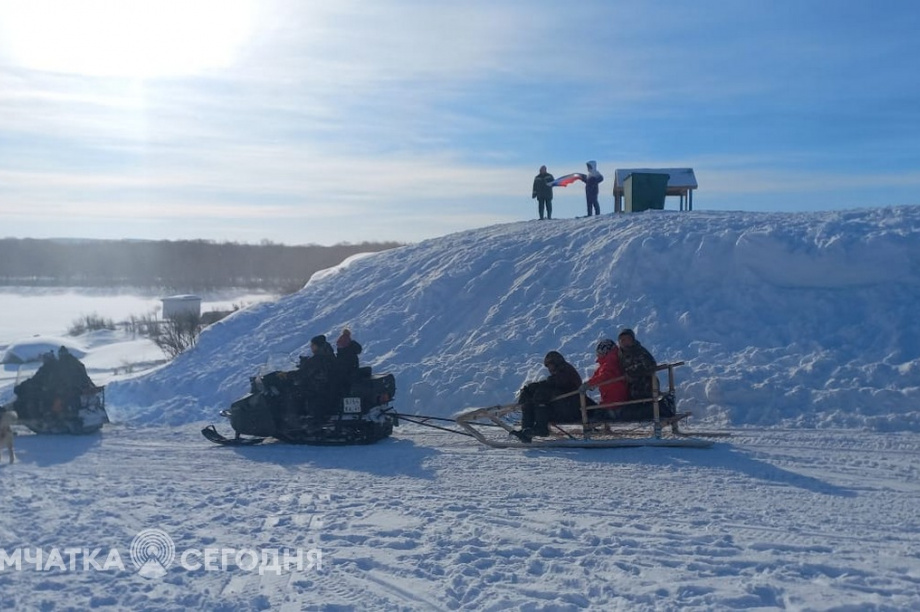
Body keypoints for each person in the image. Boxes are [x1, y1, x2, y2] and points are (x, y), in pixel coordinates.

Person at [512, 351, 585, 443]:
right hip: (564, 407)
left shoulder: (566, 371)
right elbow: (552, 384)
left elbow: (554, 383)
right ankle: (526, 430)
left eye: (550, 365)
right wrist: (529, 390)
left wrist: (536, 387)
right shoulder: (561, 371)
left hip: (572, 410)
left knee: (541, 395)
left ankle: (541, 428)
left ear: (556, 362)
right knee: (529, 400)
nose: (549, 369)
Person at [616, 328, 672, 419]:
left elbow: (651, 365)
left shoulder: (639, 351)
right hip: (632, 388)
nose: (625, 342)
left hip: (645, 385)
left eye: (628, 339)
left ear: (633, 340)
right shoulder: (620, 354)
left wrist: (632, 373)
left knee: (644, 407)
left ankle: (662, 407)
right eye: (622, 340)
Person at [579, 339, 629, 418]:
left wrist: (589, 384)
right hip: (614, 401)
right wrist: (590, 383)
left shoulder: (610, 363)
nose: (598, 356)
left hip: (613, 402)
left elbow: (604, 376)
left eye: (599, 353)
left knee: (591, 414)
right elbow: (598, 375)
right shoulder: (609, 362)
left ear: (605, 352)